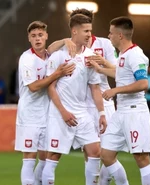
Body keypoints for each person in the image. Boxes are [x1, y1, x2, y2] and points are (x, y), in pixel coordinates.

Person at [47, 8, 117, 184]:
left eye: (90, 31)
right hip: (59, 114)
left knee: (95, 151)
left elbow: (95, 88)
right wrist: (63, 112)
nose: (89, 35)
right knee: (54, 155)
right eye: (86, 31)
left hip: (82, 113)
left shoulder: (89, 57)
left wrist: (102, 114)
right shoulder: (59, 55)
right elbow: (50, 87)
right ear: (74, 31)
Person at [91, 17, 150, 185]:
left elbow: (143, 83)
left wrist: (115, 90)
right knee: (106, 154)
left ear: (120, 35)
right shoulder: (122, 55)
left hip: (135, 112)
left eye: (111, 33)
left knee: (141, 157)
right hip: (121, 113)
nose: (108, 36)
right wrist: (100, 69)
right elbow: (121, 75)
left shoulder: (136, 54)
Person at [15, 20, 75, 185]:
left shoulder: (50, 55)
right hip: (29, 115)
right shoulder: (27, 59)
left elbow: (53, 47)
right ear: (29, 38)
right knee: (29, 157)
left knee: (45, 158)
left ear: (46, 36)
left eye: (40, 35)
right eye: (33, 36)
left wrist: (65, 41)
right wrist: (57, 73)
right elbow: (34, 87)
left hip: (47, 114)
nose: (37, 39)